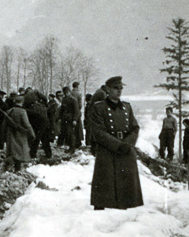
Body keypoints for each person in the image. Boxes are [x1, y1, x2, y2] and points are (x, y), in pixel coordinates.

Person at [87, 76, 143, 210]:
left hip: (125, 148)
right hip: (107, 149)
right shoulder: (99, 108)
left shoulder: (127, 107)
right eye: (115, 88)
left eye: (120, 88)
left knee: (126, 185)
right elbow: (98, 132)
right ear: (107, 89)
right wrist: (117, 145)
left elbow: (134, 128)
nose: (119, 91)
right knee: (106, 180)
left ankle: (125, 206)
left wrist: (127, 144)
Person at [2, 95, 35, 172]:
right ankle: (15, 168)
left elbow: (4, 125)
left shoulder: (9, 111)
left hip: (10, 134)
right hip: (20, 134)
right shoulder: (22, 111)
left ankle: (12, 168)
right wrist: (32, 134)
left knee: (13, 151)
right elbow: (27, 124)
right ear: (22, 102)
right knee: (20, 152)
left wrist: (4, 135)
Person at [24, 91, 53, 159]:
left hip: (38, 124)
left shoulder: (32, 107)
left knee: (36, 140)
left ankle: (33, 154)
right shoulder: (42, 106)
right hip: (45, 123)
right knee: (45, 140)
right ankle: (48, 154)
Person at [58, 85, 78, 150]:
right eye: (65, 93)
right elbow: (62, 110)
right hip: (64, 118)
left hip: (70, 119)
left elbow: (76, 111)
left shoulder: (73, 100)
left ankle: (72, 148)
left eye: (67, 92)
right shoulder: (64, 100)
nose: (66, 94)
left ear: (69, 92)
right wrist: (60, 117)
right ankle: (67, 146)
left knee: (70, 134)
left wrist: (74, 119)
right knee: (65, 133)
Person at [72, 81, 84, 148]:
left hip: (70, 112)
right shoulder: (79, 93)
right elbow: (80, 105)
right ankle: (78, 142)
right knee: (78, 128)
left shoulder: (71, 93)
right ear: (77, 86)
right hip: (77, 112)